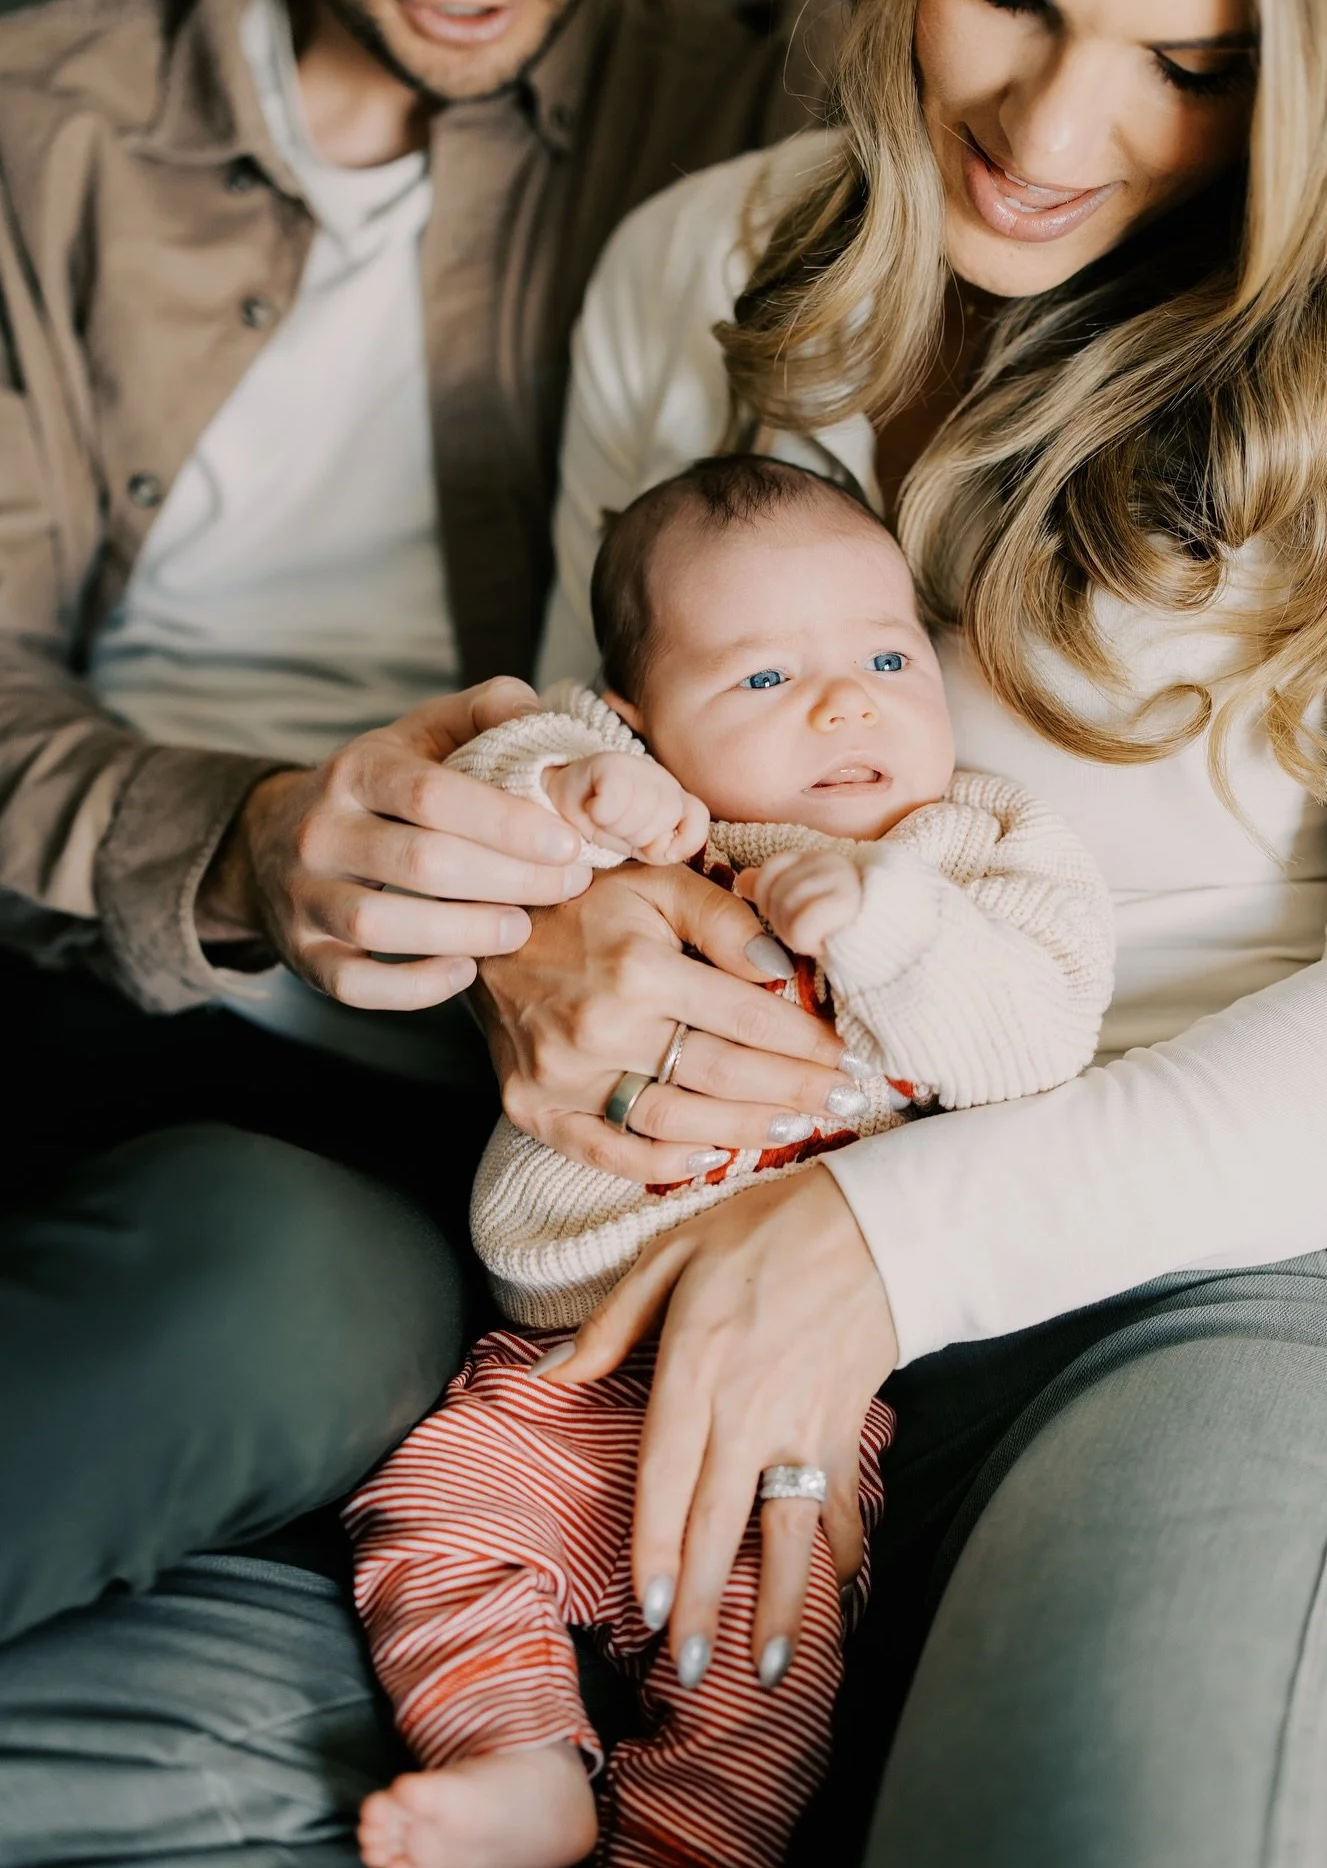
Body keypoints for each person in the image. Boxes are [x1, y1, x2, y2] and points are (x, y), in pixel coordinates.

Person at [454, 0, 1327, 1860]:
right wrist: (530, 939)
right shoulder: (692, 263)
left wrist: (873, 1243)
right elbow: (574, 743)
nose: (1052, 133)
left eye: (1194, 63)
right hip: (702, 1203)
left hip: (1240, 1233)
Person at [0, 0, 837, 1858]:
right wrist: (247, 842)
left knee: (288, 1295)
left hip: (450, 1092)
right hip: (88, 928)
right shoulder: (35, 130)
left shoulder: (765, 123)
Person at [341, 453, 1112, 1868]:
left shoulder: (967, 849)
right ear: (641, 722)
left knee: (765, 1660)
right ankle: (519, 1759)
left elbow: (1032, 1045)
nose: (845, 701)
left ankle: (680, 1851)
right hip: (571, 1362)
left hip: (794, 1388)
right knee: (434, 1520)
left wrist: (889, 926)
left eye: (887, 656)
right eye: (762, 679)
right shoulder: (635, 800)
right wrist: (583, 796)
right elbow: (492, 769)